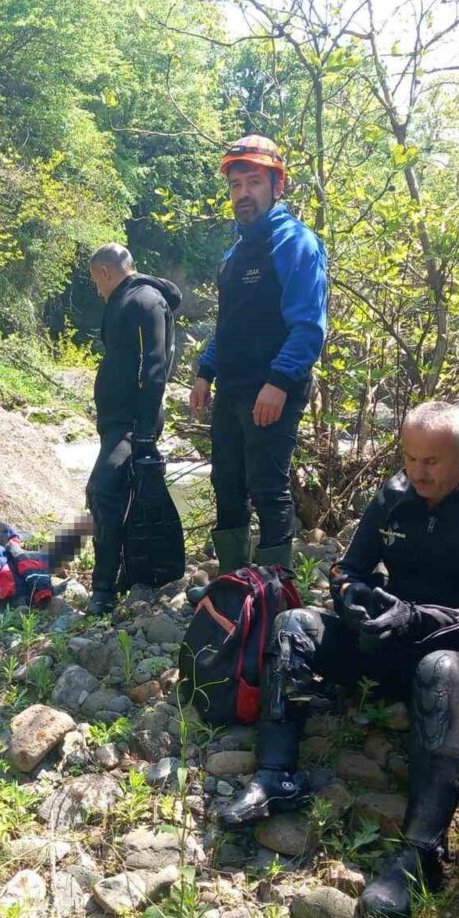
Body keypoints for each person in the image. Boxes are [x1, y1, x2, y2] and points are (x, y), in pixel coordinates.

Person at [220, 401, 459, 918]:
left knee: (440, 669)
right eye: (410, 458)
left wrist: (416, 619)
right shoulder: (394, 495)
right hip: (387, 640)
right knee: (294, 625)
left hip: (458, 653)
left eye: (432, 461)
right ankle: (276, 774)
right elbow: (347, 568)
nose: (419, 472)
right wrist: (353, 601)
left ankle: (422, 852)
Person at [189, 135, 327, 571]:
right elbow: (228, 323)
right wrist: (204, 371)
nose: (243, 193)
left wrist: (279, 382)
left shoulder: (295, 243)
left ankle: (274, 587)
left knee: (268, 487)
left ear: (276, 186)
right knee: (226, 483)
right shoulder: (235, 252)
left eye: (253, 182)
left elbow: (309, 326)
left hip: (272, 389)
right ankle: (233, 583)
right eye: (235, 185)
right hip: (232, 387)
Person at [84, 243, 182, 615]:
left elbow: (155, 369)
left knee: (103, 490)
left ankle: (104, 589)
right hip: (120, 421)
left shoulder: (143, 300)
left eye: (96, 281)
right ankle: (127, 573)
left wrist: (143, 431)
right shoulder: (127, 300)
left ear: (106, 272)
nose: (97, 289)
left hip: (133, 422)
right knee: (119, 494)